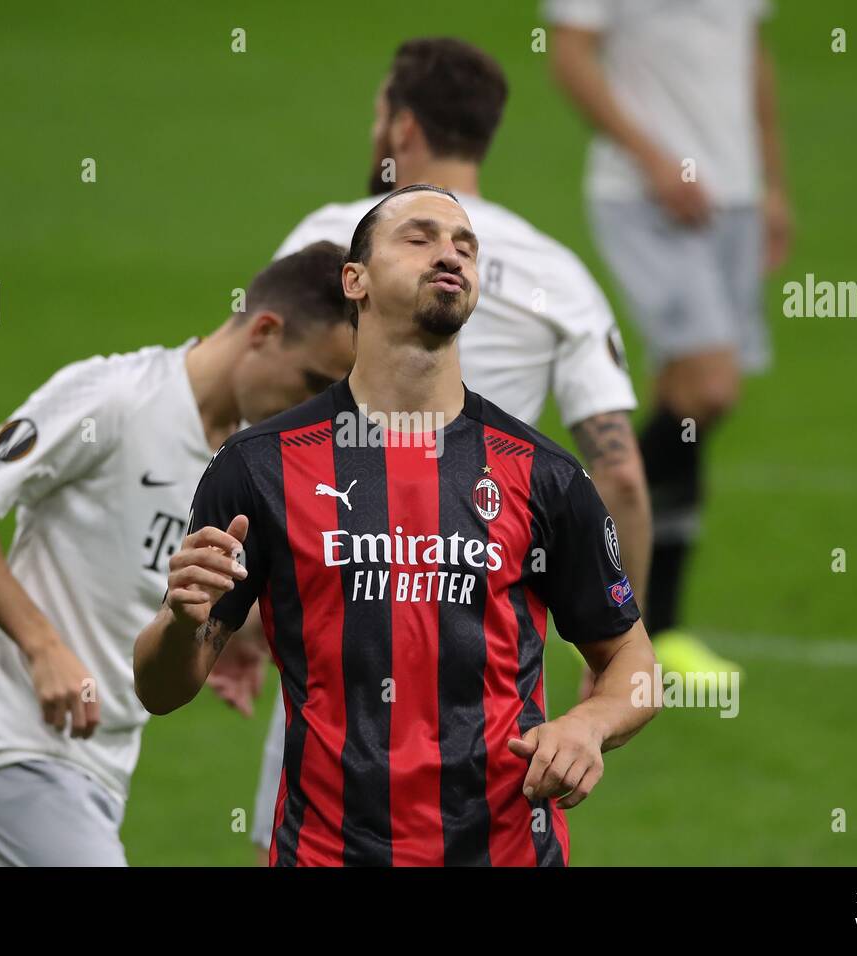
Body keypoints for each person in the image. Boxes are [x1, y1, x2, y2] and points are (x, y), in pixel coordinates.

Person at [134, 184, 659, 866]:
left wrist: (590, 725)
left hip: (503, 851)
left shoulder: (541, 474)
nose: (450, 253)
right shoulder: (256, 469)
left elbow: (633, 662)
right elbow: (162, 689)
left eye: (465, 245)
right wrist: (180, 620)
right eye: (419, 238)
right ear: (353, 280)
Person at [233, 35, 652, 863]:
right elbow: (625, 477)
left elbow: (252, 395)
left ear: (401, 127)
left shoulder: (330, 234)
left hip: (335, 595)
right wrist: (605, 642)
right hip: (483, 609)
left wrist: (239, 615)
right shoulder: (560, 275)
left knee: (306, 828)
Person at [0, 242, 355, 866]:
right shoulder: (116, 399)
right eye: (313, 382)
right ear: (264, 331)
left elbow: (153, 576)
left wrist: (232, 636)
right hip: (13, 753)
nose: (312, 410)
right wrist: (44, 648)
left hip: (96, 769)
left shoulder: (241, 461)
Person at [545, 0, 793, 674]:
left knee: (684, 399)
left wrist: (771, 182)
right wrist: (653, 159)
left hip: (732, 199)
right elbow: (569, 53)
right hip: (648, 196)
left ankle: (653, 621)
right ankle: (570, 548)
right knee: (710, 388)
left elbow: (752, 54)